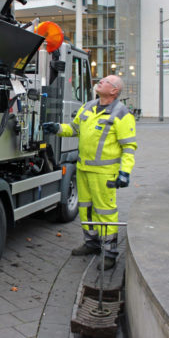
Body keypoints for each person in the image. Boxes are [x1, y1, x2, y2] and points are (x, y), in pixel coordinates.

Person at [43, 75, 137, 270]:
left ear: (114, 91)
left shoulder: (121, 113)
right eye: (101, 79)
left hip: (105, 173)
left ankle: (110, 252)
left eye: (106, 81)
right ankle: (91, 243)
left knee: (105, 212)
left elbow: (129, 147)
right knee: (85, 208)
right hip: (84, 169)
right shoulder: (88, 107)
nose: (100, 81)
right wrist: (57, 128)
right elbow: (74, 129)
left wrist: (124, 172)